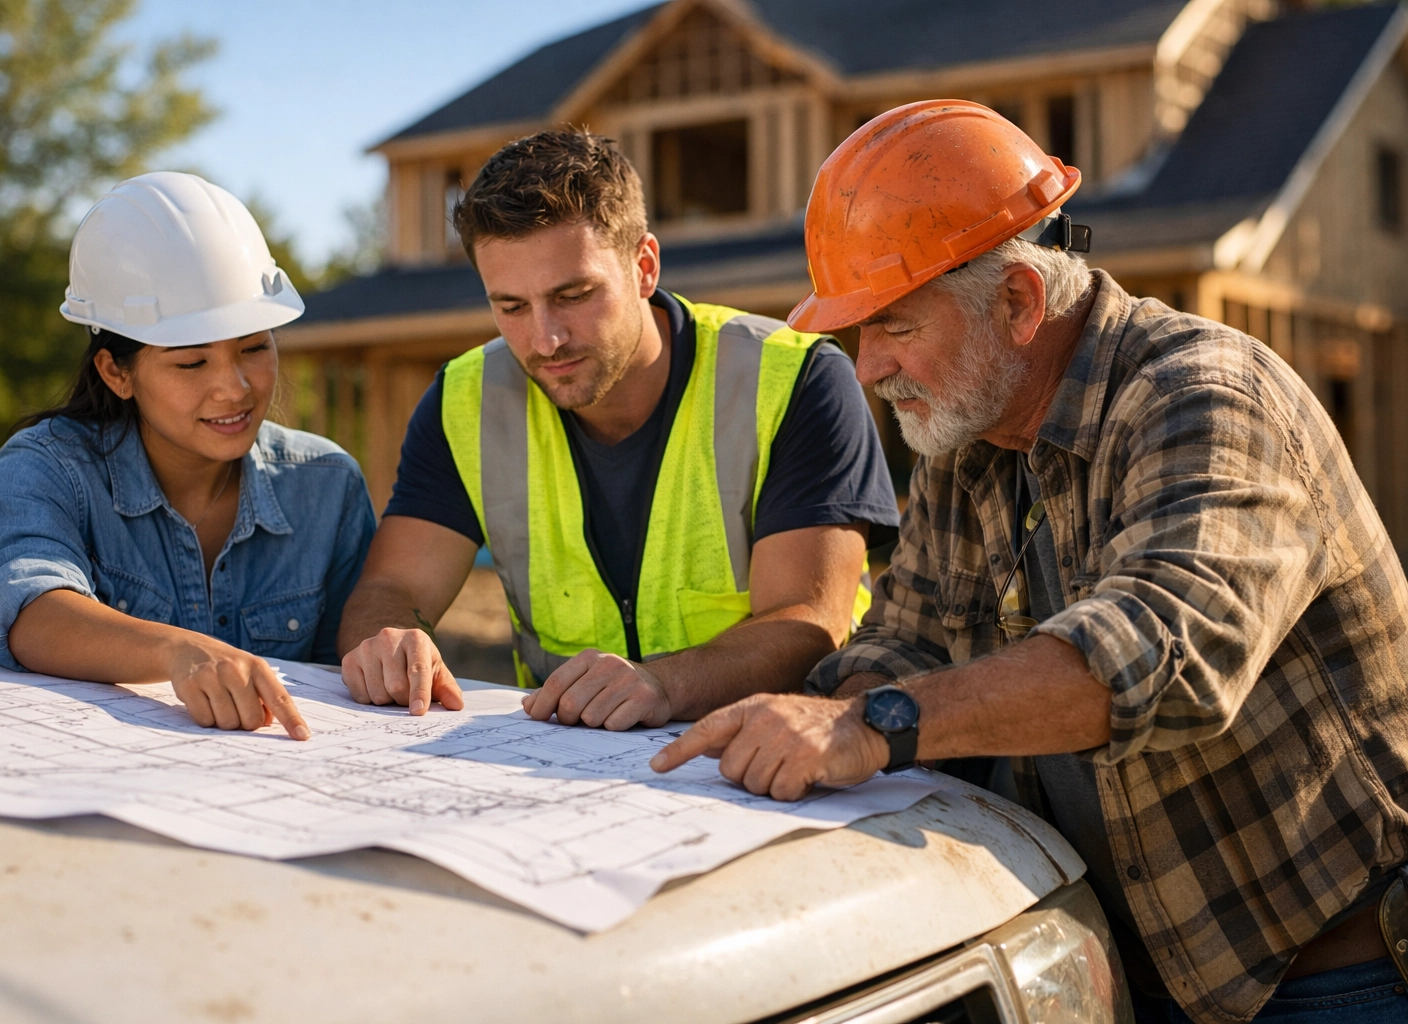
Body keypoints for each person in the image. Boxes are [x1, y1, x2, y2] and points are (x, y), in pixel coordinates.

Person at [652, 101, 1408, 1023]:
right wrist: (795, 720)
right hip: (1126, 955)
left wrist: (870, 727)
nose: (866, 368)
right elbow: (903, 645)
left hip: (1328, 974)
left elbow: (1164, 655)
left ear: (1017, 301)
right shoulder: (967, 440)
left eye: (894, 326)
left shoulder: (1204, 397)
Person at [337, 129, 899, 729]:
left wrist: (663, 683)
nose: (545, 339)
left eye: (574, 294)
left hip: (767, 761)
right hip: (561, 765)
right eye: (511, 307)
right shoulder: (463, 400)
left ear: (644, 266)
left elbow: (809, 621)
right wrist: (388, 641)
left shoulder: (793, 378)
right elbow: (391, 587)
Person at [0, 171, 377, 742]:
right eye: (191, 363)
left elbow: (350, 674)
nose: (235, 388)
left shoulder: (327, 486)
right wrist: (176, 652)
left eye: (255, 347)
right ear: (116, 372)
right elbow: (21, 608)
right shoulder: (48, 467)